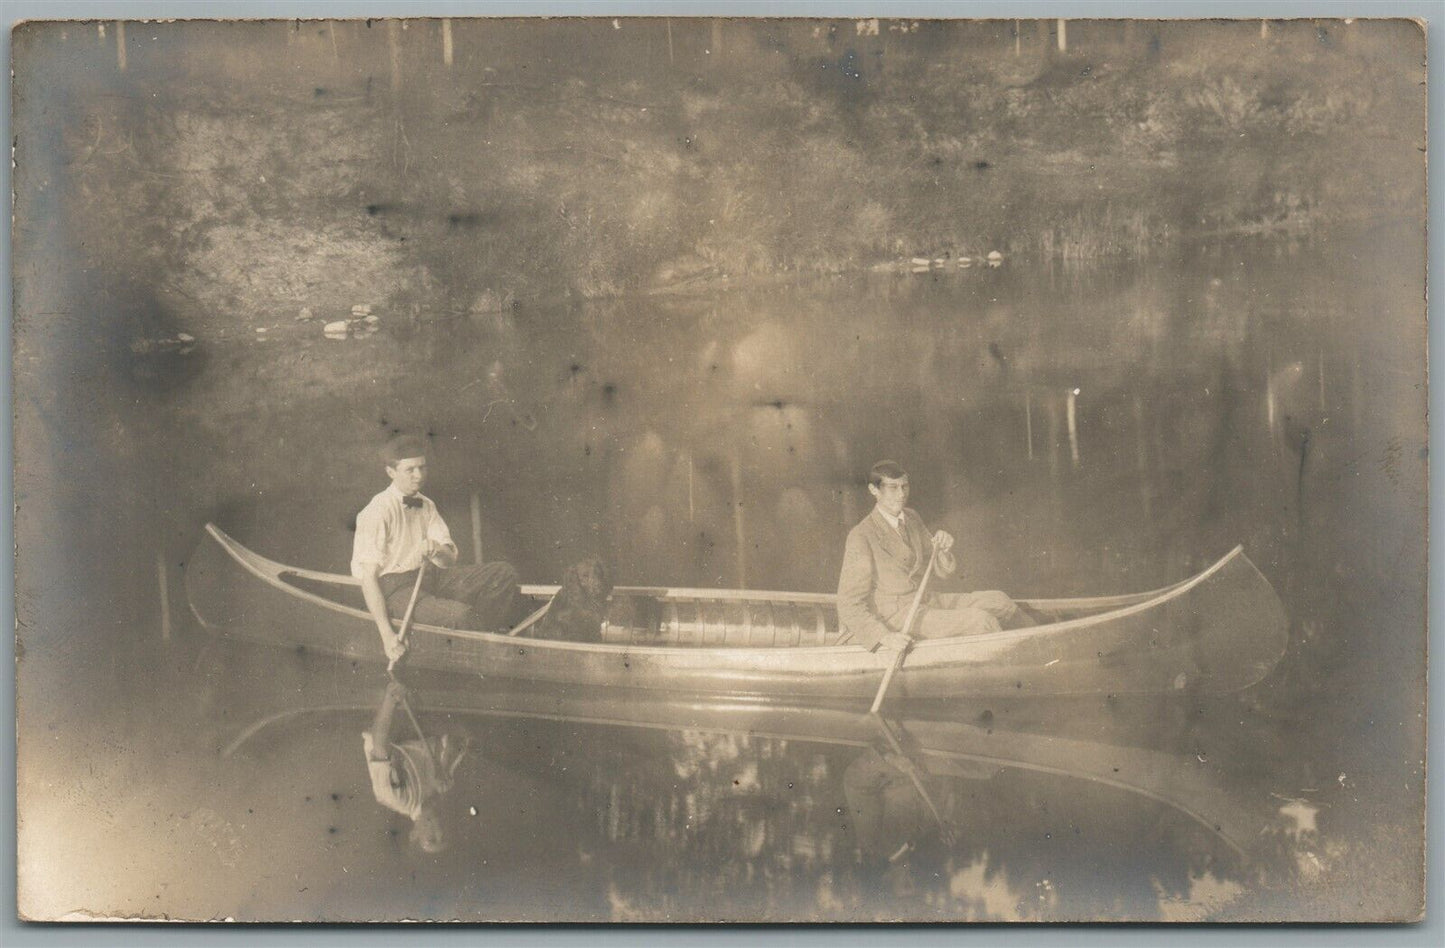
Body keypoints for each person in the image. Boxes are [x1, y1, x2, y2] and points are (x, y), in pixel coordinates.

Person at [352, 434, 518, 664]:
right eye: (410, 470)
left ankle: (485, 635)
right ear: (391, 472)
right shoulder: (376, 511)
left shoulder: (427, 505)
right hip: (395, 589)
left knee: (504, 573)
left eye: (422, 468)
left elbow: (449, 561)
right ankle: (485, 643)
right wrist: (388, 636)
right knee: (461, 615)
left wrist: (437, 550)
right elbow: (368, 579)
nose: (418, 476)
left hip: (432, 578)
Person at [836, 460, 1027, 652]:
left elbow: (940, 570)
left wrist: (943, 550)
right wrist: (884, 637)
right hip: (896, 617)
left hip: (925, 601)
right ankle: (1016, 666)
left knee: (1000, 602)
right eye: (893, 488)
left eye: (904, 486)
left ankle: (1043, 648)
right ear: (874, 490)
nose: (902, 494)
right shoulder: (861, 536)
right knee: (981, 621)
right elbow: (848, 603)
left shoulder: (911, 518)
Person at [363, 677, 469, 854]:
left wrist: (391, 697)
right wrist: (442, 766)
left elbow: (379, 744)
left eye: (432, 839)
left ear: (414, 835)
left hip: (388, 710)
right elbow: (460, 736)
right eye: (445, 837)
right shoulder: (442, 787)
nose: (440, 831)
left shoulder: (396, 797)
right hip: (421, 703)